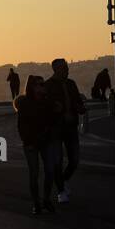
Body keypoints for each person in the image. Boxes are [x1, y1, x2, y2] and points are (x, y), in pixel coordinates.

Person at [44, 58, 85, 204]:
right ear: (55, 69)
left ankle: (63, 180)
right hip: (56, 128)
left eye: (67, 68)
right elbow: (45, 107)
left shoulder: (71, 84)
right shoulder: (48, 86)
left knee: (74, 160)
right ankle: (61, 190)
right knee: (57, 161)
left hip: (71, 126)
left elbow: (78, 102)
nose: (67, 70)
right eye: (64, 68)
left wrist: (80, 107)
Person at [15, 74, 58, 214]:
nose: (42, 86)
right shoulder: (25, 104)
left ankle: (46, 199)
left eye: (43, 84)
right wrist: (28, 141)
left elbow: (53, 120)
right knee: (34, 174)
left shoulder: (47, 102)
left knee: (50, 171)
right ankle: (36, 203)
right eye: (39, 84)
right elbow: (21, 126)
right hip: (31, 143)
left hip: (47, 140)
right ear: (32, 87)